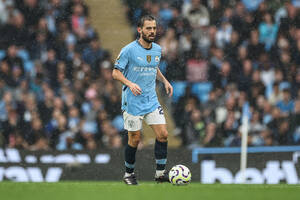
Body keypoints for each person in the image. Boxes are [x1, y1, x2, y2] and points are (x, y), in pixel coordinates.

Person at [112, 15, 173, 185]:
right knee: (135, 139)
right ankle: (128, 174)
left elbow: (153, 67)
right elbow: (115, 73)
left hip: (151, 99)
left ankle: (160, 173)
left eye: (154, 28)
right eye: (148, 28)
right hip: (132, 101)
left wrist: (165, 81)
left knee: (163, 134)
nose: (152, 31)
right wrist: (130, 83)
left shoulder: (157, 50)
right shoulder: (128, 50)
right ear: (140, 30)